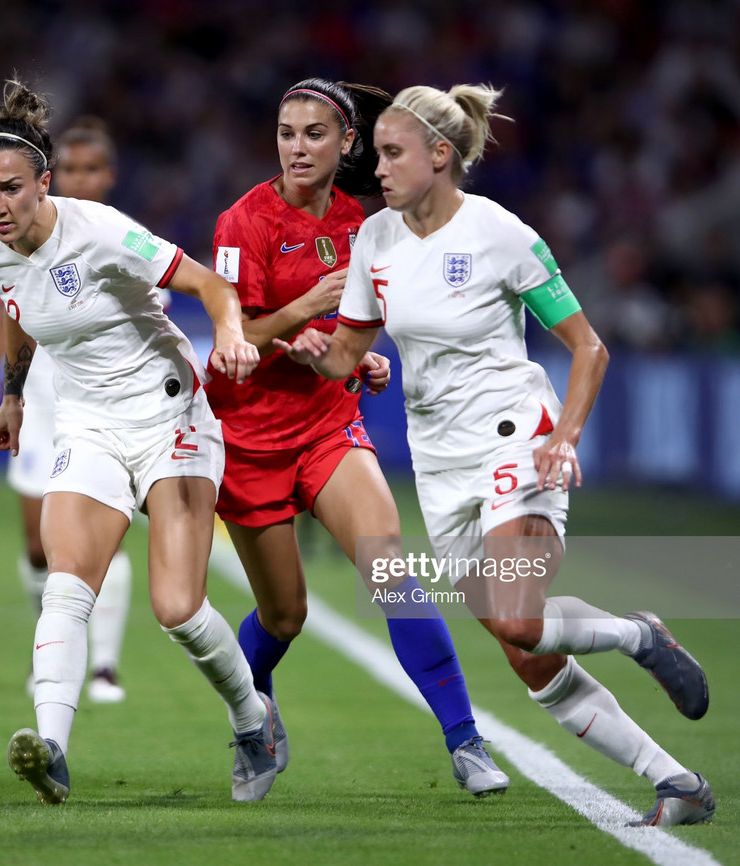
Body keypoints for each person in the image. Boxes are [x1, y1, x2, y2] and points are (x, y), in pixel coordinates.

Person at [277, 83, 715, 826]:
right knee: (530, 657)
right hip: (439, 467)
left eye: (391, 153)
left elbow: (588, 348)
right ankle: (677, 782)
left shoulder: (500, 234)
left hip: (515, 438)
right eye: (376, 153)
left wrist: (563, 437)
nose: (375, 169)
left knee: (514, 616)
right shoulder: (375, 242)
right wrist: (312, 348)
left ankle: (639, 633)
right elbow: (350, 350)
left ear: (440, 155)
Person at [0, 72, 279, 805]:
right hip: (88, 427)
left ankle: (252, 719)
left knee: (178, 609)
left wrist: (231, 334)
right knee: (65, 583)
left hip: (170, 415)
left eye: (11, 188)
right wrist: (14, 396)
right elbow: (19, 308)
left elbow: (211, 285)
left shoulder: (103, 233)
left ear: (44, 182)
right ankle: (50, 746)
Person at [208, 78, 509, 796]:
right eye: (286, 132)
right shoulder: (241, 223)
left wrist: (357, 355)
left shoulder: (364, 224)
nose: (297, 147)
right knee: (286, 614)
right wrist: (303, 307)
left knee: (390, 574)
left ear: (347, 143)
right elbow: (234, 337)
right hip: (247, 436)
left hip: (325, 425)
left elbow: (353, 326)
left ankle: (466, 741)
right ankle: (255, 722)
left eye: (315, 134)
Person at [0, 117, 132, 705]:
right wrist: (0, 381)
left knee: (98, 539)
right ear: (49, 176)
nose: (81, 179)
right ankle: (53, 647)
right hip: (39, 402)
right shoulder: (17, 240)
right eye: (71, 169)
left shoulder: (117, 236)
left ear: (109, 175)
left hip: (99, 407)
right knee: (40, 547)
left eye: (92, 169)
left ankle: (103, 665)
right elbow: (11, 308)